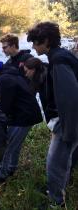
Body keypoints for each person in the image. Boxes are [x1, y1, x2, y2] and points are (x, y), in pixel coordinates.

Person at [23, 54, 78, 206]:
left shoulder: (52, 76)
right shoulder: (43, 75)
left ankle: (56, 201)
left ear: (34, 70)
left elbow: (65, 99)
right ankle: (59, 191)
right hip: (63, 123)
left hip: (65, 124)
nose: (26, 74)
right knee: (65, 160)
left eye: (27, 71)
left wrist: (60, 124)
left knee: (54, 163)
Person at [0, 57, 43, 182]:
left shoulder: (3, 79)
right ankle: (11, 168)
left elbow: (5, 106)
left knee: (7, 146)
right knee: (15, 144)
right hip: (25, 114)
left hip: (23, 116)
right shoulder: (7, 71)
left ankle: (1, 175)